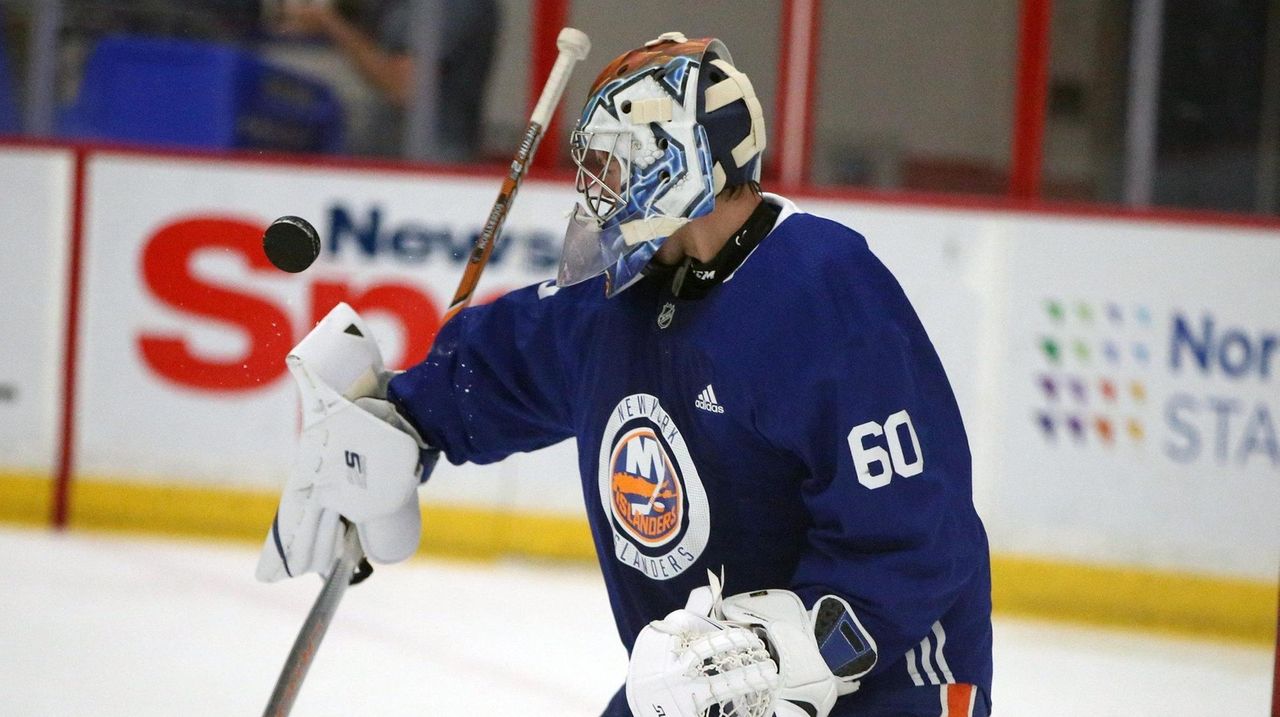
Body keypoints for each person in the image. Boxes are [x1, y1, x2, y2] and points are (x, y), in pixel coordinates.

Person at [258, 32, 994, 717]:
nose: (597, 187)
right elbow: (514, 358)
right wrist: (400, 420)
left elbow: (917, 535)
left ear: (676, 160)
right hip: (712, 684)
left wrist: (785, 652)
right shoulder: (627, 294)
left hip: (881, 687)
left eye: (614, 161)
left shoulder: (820, 289)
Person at [276, 0, 499, 159]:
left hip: (430, 168)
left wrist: (329, 22)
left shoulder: (448, 6)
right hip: (387, 163)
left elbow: (403, 85)